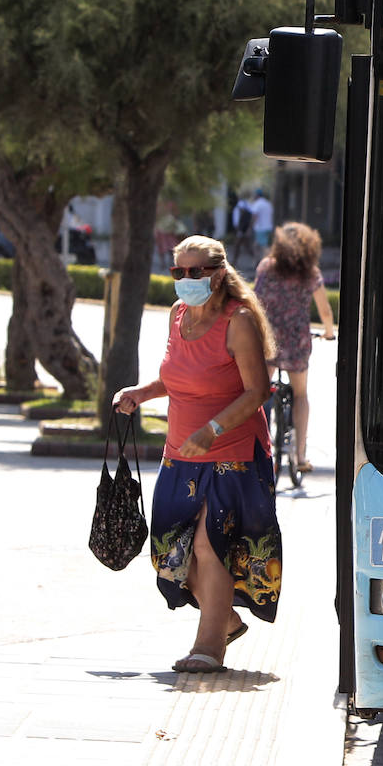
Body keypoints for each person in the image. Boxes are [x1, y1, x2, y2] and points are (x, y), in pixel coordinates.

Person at [112, 235, 282, 673]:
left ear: (219, 273)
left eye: (195, 271)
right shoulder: (178, 315)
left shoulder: (238, 320)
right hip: (181, 454)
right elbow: (178, 378)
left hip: (232, 454)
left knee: (209, 546)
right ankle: (223, 618)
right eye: (179, 272)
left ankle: (208, 648)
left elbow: (257, 391)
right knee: (174, 551)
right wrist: (141, 392)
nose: (185, 280)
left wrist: (212, 429)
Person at [252, 221, 336, 472]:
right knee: (300, 395)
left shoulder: (266, 267)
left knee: (259, 393)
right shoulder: (310, 273)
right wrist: (329, 333)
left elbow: (253, 300)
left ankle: (257, 449)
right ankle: (299, 457)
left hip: (267, 340)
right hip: (297, 342)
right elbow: (325, 311)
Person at [231, 190, 255, 265]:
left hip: (241, 228)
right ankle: (256, 259)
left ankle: (234, 261)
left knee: (238, 245)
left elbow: (242, 216)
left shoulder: (241, 204)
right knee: (245, 245)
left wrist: (240, 228)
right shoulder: (246, 204)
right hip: (242, 228)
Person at [248, 188, 275, 256]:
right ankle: (256, 261)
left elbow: (255, 216)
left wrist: (251, 226)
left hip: (261, 228)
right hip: (268, 227)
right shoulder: (268, 203)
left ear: (257, 195)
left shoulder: (257, 204)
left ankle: (266, 261)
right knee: (256, 245)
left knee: (264, 246)